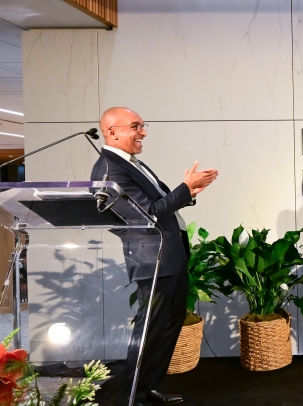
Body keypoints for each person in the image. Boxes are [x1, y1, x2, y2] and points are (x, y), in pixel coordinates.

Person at [91, 107, 218, 406]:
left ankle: (150, 387)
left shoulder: (131, 164)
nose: (143, 132)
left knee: (168, 324)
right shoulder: (110, 170)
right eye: (136, 126)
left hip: (169, 257)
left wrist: (189, 193)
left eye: (143, 125)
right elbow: (146, 214)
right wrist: (184, 189)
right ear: (112, 132)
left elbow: (157, 204)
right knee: (149, 328)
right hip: (152, 261)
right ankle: (132, 395)